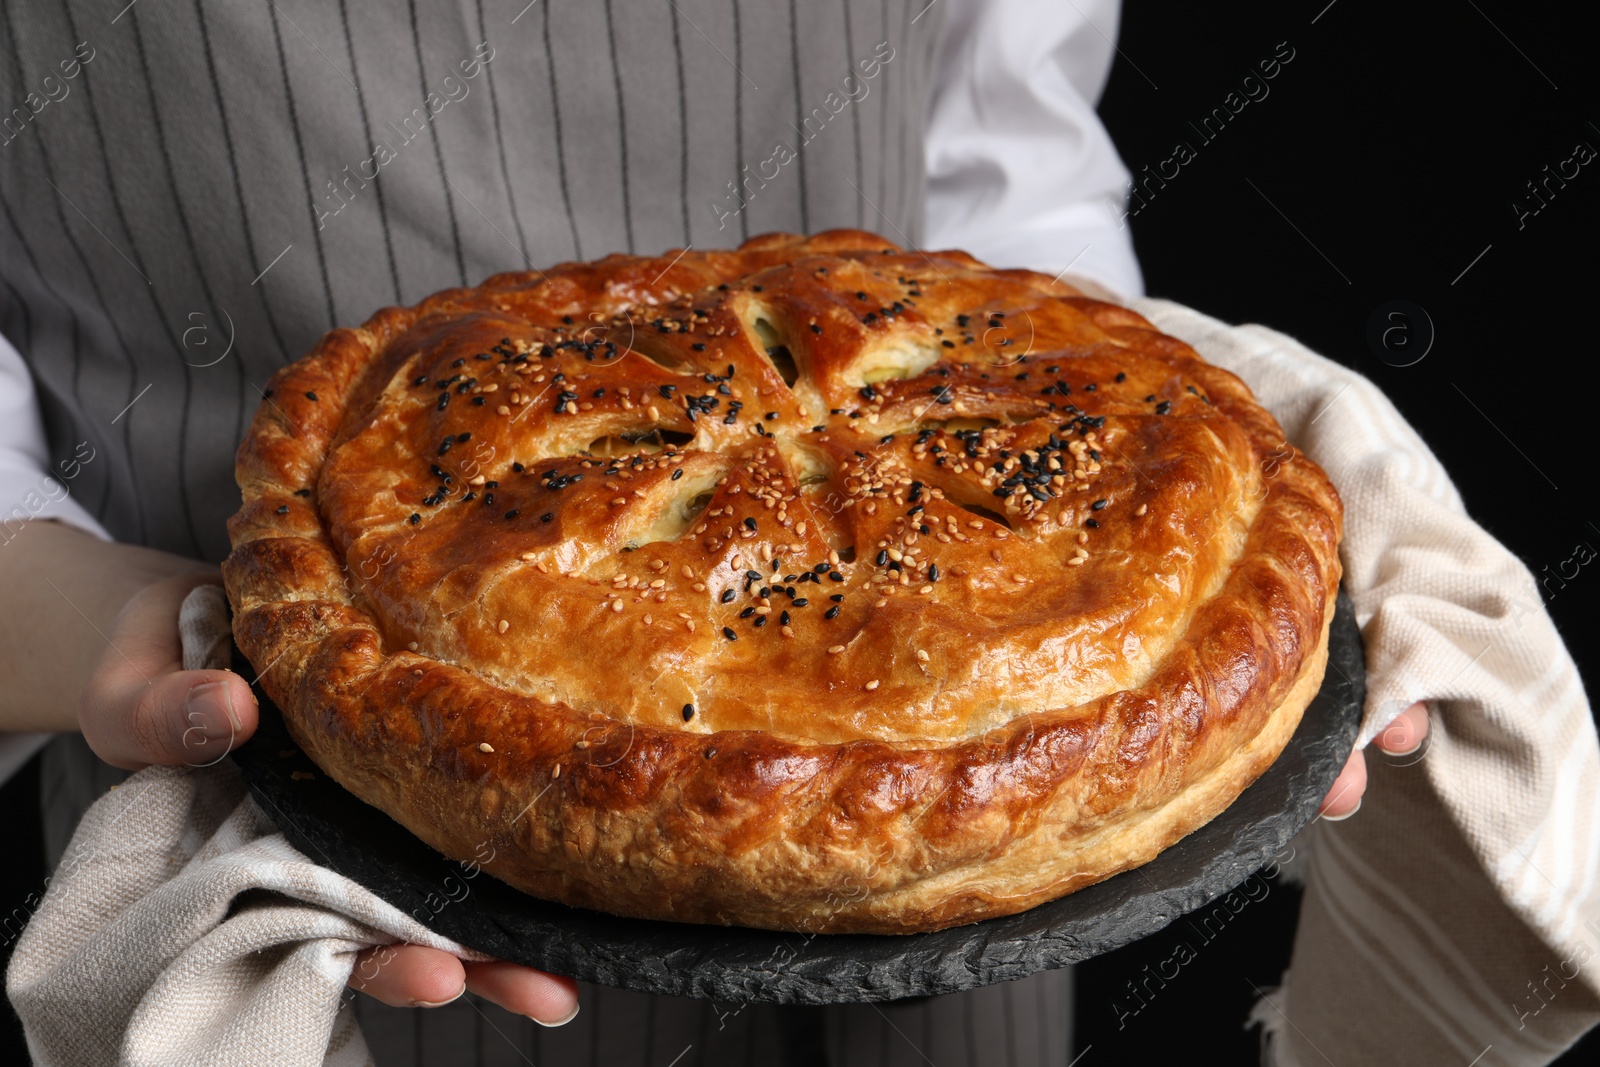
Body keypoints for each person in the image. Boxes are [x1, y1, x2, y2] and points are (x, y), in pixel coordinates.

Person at [0, 0, 1521, 1063]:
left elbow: (1006, 153)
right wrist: (80, 621)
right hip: (301, 888)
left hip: (960, 989)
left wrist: (1135, 495)